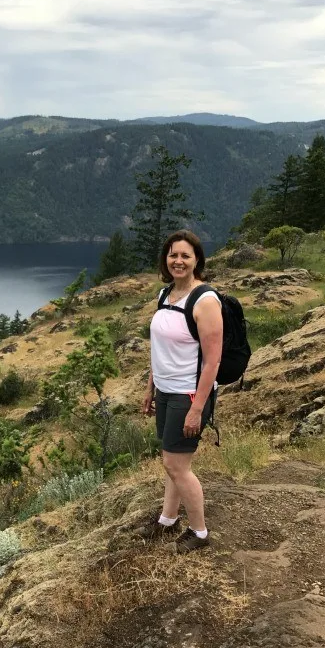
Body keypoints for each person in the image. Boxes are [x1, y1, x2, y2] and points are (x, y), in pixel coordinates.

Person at [141, 230, 223, 552]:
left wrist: (197, 407)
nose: (178, 261)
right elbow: (158, 349)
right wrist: (151, 388)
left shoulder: (204, 300)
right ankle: (167, 519)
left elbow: (213, 360)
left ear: (197, 260)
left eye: (185, 256)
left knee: (177, 465)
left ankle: (199, 533)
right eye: (173, 255)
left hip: (189, 395)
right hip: (166, 390)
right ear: (166, 259)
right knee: (172, 460)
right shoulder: (165, 295)